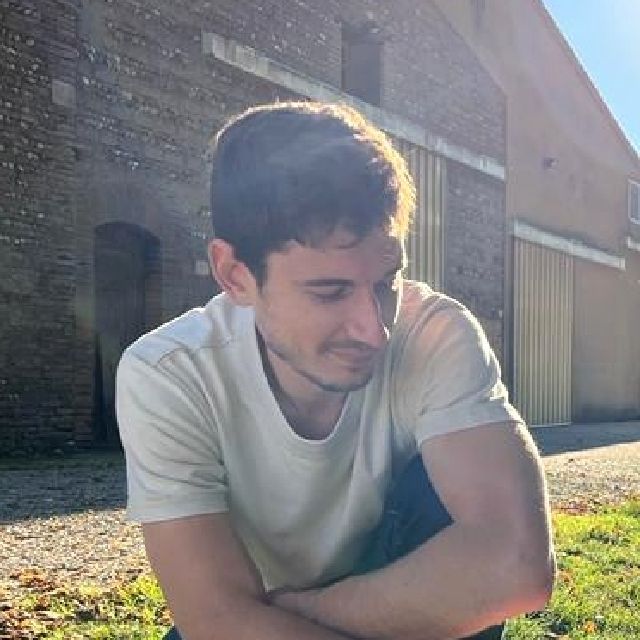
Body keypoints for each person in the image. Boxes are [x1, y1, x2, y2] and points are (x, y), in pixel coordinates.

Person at [116, 101, 555, 640]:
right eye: (329, 291)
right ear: (234, 275)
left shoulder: (434, 333)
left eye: (386, 282)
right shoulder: (170, 374)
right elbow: (214, 618)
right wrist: (241, 619)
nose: (374, 330)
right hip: (281, 622)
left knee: (447, 483)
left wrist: (290, 612)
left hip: (310, 608)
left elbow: (515, 564)